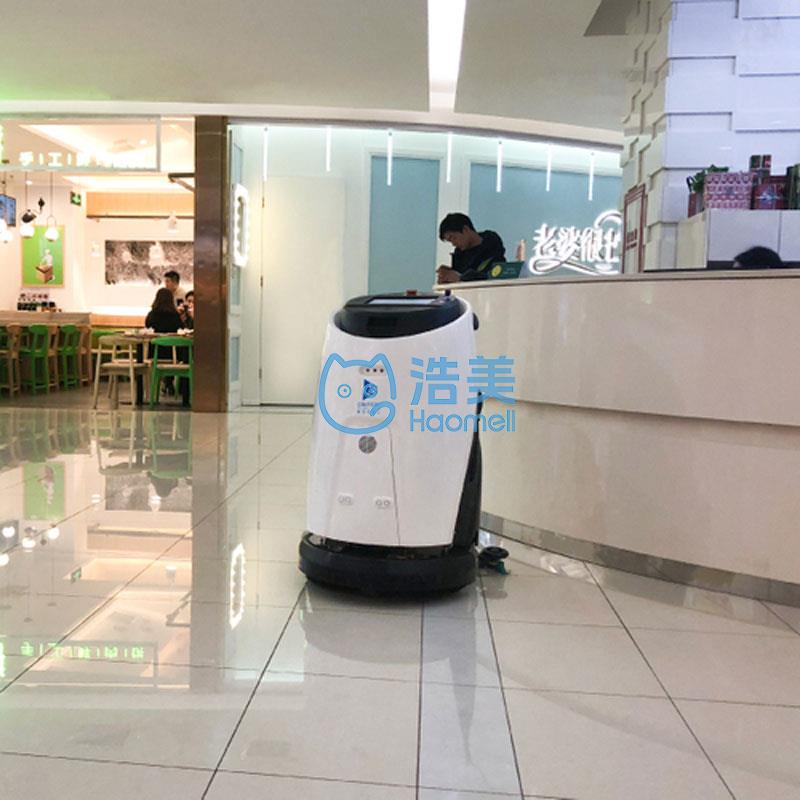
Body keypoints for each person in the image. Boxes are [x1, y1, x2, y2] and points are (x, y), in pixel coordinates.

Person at [436, 213, 506, 284]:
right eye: (450, 241)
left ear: (465, 229)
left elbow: (493, 273)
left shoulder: (491, 243)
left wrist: (460, 277)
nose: (453, 244)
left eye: (453, 238)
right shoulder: (459, 254)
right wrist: (446, 277)